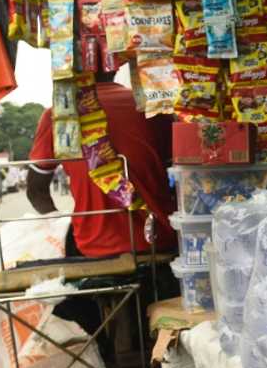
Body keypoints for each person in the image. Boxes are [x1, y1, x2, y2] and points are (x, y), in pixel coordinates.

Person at [26, 71, 175, 258]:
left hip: (93, 246)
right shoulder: (152, 107)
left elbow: (35, 190)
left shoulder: (58, 115)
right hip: (161, 239)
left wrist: (58, 225)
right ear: (114, 66)